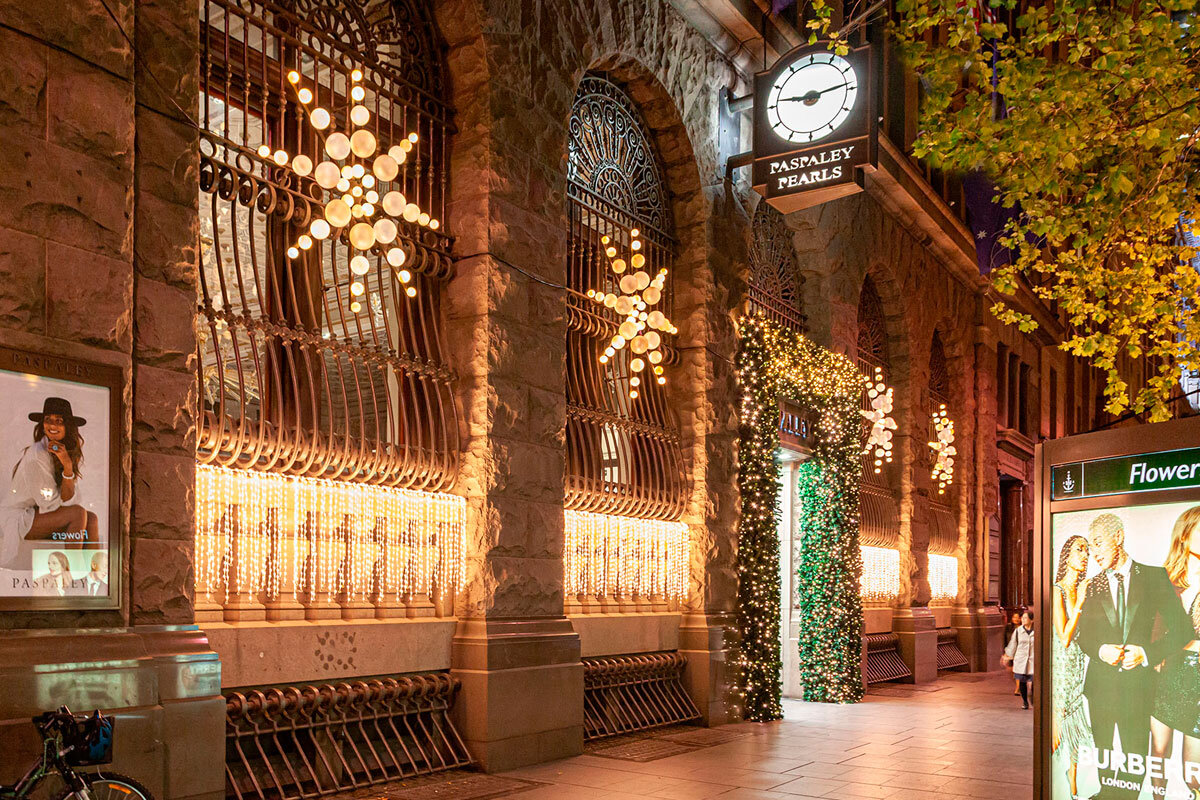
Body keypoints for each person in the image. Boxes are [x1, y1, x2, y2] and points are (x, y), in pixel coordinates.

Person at [1077, 513, 1194, 799]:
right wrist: (1101, 650)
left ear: (1118, 538)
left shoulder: (1155, 577)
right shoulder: (1092, 586)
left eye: (1099, 544)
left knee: (1135, 753)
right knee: (1103, 751)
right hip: (1100, 687)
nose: (1094, 554)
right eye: (1090, 547)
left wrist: (1146, 654)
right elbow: (1084, 637)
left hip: (1139, 687)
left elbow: (1182, 630)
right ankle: (1107, 795)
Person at [0, 398, 98, 572]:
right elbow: (50, 504)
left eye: (59, 421)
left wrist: (67, 465)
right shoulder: (37, 456)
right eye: (48, 420)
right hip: (17, 518)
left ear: (68, 426)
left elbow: (69, 499)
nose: (52, 425)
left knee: (91, 519)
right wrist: (67, 472)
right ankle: (74, 576)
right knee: (78, 514)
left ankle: (94, 579)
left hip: (38, 514)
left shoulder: (64, 452)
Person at [1149, 506, 1200, 800]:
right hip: (1165, 676)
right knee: (1158, 756)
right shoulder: (1165, 582)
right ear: (1185, 535)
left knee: (1193, 772)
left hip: (1197, 677)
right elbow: (1153, 634)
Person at [1051, 535, 1094, 800]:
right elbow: (1064, 636)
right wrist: (1080, 603)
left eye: (1088, 550)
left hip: (1080, 662)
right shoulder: (1059, 590)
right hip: (1063, 664)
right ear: (1067, 555)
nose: (1085, 555)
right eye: (1080, 549)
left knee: (1077, 721)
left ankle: (1073, 781)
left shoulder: (1083, 588)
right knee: (1061, 718)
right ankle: (1058, 775)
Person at [1003, 610, 1035, 709]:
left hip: (1033, 659)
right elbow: (1013, 644)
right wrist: (1007, 655)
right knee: (1022, 681)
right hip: (1021, 659)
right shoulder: (1018, 631)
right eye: (1022, 618)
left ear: (1031, 620)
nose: (1023, 620)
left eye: (1025, 618)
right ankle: (1025, 701)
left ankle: (1034, 699)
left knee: (1034, 681)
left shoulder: (1037, 630)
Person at [1007, 608, 1025, 695]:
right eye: (1014, 617)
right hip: (1011, 652)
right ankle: (1019, 685)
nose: (1016, 619)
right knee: (1012, 671)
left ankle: (1018, 688)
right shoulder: (1009, 628)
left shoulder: (1024, 629)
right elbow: (1005, 640)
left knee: (1018, 671)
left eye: (1018, 617)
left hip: (1020, 652)